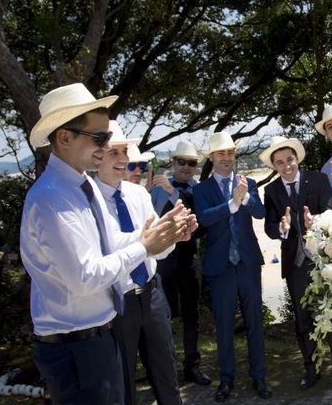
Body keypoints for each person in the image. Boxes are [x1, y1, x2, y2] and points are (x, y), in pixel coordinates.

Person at [20, 83, 190, 404]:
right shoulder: (52, 199)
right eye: (100, 139)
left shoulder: (79, 187)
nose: (106, 146)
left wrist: (164, 234)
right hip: (76, 347)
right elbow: (86, 276)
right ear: (65, 138)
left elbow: (115, 247)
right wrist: (145, 246)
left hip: (96, 335)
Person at [95, 121, 182, 405]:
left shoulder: (138, 195)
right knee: (124, 381)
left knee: (167, 373)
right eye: (114, 153)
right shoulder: (88, 202)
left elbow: (157, 252)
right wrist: (146, 240)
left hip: (153, 296)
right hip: (117, 302)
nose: (123, 160)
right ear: (97, 156)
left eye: (125, 152)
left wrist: (173, 235)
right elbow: (102, 255)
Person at [193, 131, 272, 402]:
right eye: (221, 153)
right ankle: (226, 380)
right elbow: (204, 218)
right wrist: (232, 203)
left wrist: (246, 198)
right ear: (212, 157)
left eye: (230, 153)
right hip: (220, 266)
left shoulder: (247, 182)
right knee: (224, 325)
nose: (226, 158)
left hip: (248, 263)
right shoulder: (201, 189)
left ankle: (259, 376)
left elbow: (260, 213)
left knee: (254, 322)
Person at [261, 136, 332, 389]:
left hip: (323, 260)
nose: (287, 166)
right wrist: (282, 229)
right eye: (280, 163)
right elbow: (269, 226)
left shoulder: (318, 180)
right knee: (303, 319)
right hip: (295, 266)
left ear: (297, 159)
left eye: (290, 160)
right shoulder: (271, 191)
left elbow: (331, 211)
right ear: (274, 166)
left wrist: (315, 222)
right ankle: (312, 368)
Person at [150, 140, 211, 386]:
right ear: (173, 162)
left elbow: (198, 221)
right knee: (161, 316)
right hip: (160, 261)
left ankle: (192, 366)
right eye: (182, 162)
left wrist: (171, 192)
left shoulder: (198, 190)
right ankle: (165, 369)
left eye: (192, 163)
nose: (186, 167)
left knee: (190, 315)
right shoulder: (155, 188)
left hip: (188, 259)